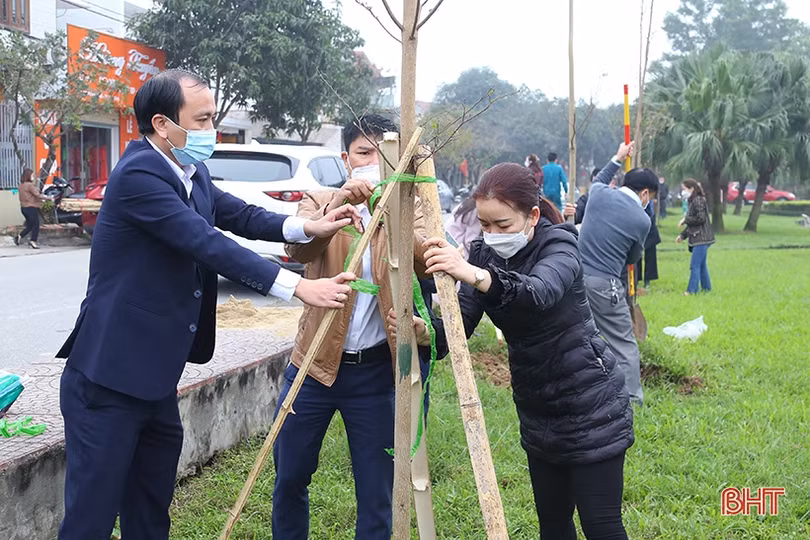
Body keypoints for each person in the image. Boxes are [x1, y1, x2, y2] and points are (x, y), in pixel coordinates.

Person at [55, 69, 363, 540]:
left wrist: (308, 229)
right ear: (162, 123)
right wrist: (297, 287)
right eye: (201, 119)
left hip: (154, 380)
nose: (210, 129)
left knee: (151, 510)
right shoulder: (139, 173)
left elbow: (239, 214)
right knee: (90, 518)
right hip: (107, 380)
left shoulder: (189, 170)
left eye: (212, 117)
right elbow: (204, 241)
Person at [392, 163, 634, 539]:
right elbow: (461, 327)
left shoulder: (560, 244)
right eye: (485, 225)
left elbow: (539, 293)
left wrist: (471, 272)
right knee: (553, 526)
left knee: (601, 525)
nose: (491, 235)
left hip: (591, 406)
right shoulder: (482, 253)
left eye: (502, 225)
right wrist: (426, 334)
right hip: (538, 409)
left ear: (532, 215)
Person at [274, 114, 430, 540]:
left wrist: (391, 212)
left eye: (383, 156)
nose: (372, 163)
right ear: (346, 158)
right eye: (364, 153)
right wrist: (338, 204)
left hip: (377, 374)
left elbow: (427, 260)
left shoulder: (410, 207)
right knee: (290, 476)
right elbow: (298, 247)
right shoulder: (318, 198)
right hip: (313, 366)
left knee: (377, 490)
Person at [579, 141, 657, 406]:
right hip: (606, 285)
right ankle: (631, 399)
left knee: (580, 337)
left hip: (574, 279)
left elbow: (601, 177)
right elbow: (633, 258)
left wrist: (619, 157)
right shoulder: (641, 219)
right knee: (623, 344)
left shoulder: (598, 192)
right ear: (645, 194)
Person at [677, 179, 715, 295]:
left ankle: (692, 290)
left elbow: (701, 219)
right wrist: (682, 236)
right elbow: (692, 225)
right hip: (699, 237)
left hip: (702, 238)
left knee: (695, 265)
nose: (683, 192)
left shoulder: (698, 200)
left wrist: (685, 219)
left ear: (691, 189)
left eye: (684, 189)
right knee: (702, 265)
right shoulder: (692, 201)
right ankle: (707, 288)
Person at [15, 168, 51, 249]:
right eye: (32, 175)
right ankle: (33, 241)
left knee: (30, 225)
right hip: (31, 207)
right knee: (36, 225)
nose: (33, 177)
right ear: (28, 176)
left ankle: (20, 236)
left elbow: (30, 194)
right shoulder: (30, 185)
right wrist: (49, 198)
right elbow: (37, 195)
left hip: (23, 208)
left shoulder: (21, 185)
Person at [637, 200, 661, 290]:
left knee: (650, 256)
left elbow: (651, 213)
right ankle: (636, 278)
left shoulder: (648, 200)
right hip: (638, 229)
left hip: (650, 229)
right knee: (636, 255)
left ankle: (648, 279)